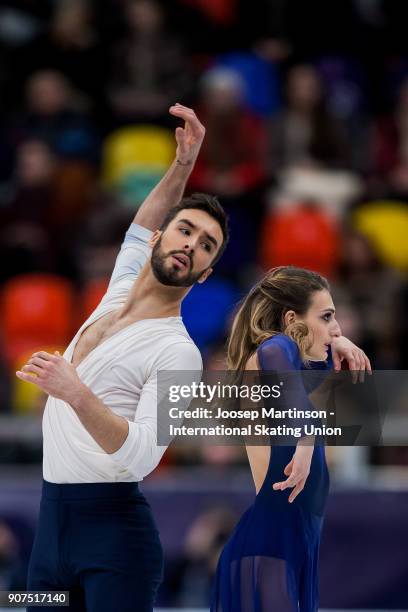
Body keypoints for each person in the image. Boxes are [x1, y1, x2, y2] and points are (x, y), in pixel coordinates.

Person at [15, 104, 228, 612]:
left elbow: (140, 457)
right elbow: (142, 226)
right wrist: (183, 164)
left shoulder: (177, 352)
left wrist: (73, 391)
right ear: (160, 236)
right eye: (185, 231)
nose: (191, 246)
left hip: (116, 543)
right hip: (51, 530)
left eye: (206, 247)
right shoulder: (118, 292)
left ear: (204, 275)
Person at [211, 266, 371, 612]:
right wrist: (304, 439)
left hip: (287, 544)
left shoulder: (285, 362)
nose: (337, 327)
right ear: (291, 319)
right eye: (327, 316)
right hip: (271, 543)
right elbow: (293, 392)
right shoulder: (274, 347)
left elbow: (305, 378)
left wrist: (335, 340)